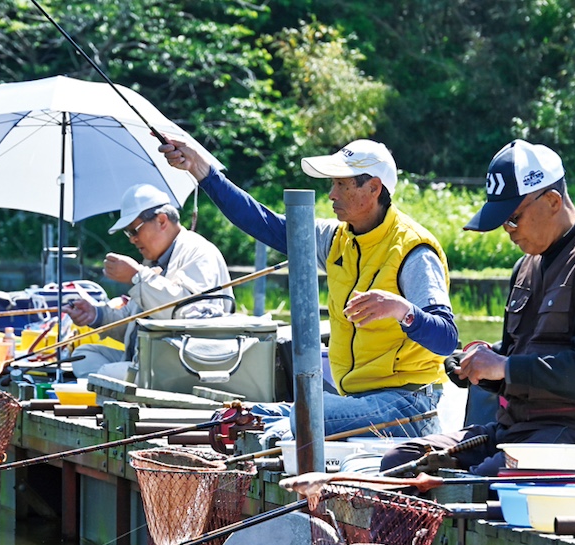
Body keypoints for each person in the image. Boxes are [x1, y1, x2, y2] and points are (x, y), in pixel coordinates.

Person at [160, 138, 456, 442]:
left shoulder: (414, 251)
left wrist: (401, 309)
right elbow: (263, 223)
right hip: (356, 400)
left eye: (342, 185)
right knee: (240, 415)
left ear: (374, 188)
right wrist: (202, 170)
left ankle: (278, 439)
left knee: (294, 423)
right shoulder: (335, 237)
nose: (331, 194)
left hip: (410, 405)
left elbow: (446, 339)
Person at [379, 140, 575, 476]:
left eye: (513, 218)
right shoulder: (526, 267)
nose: (507, 230)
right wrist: (476, 365)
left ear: (552, 201)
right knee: (400, 463)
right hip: (516, 431)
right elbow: (516, 354)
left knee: (478, 481)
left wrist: (504, 367)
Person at [61, 184, 233, 379]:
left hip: (182, 368)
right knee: (84, 355)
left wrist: (138, 276)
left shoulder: (199, 253)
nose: (132, 240)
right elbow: (134, 325)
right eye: (128, 233)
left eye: (134, 231)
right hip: (146, 361)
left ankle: (105, 394)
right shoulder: (155, 261)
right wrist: (96, 315)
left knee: (105, 375)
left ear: (161, 220)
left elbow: (188, 315)